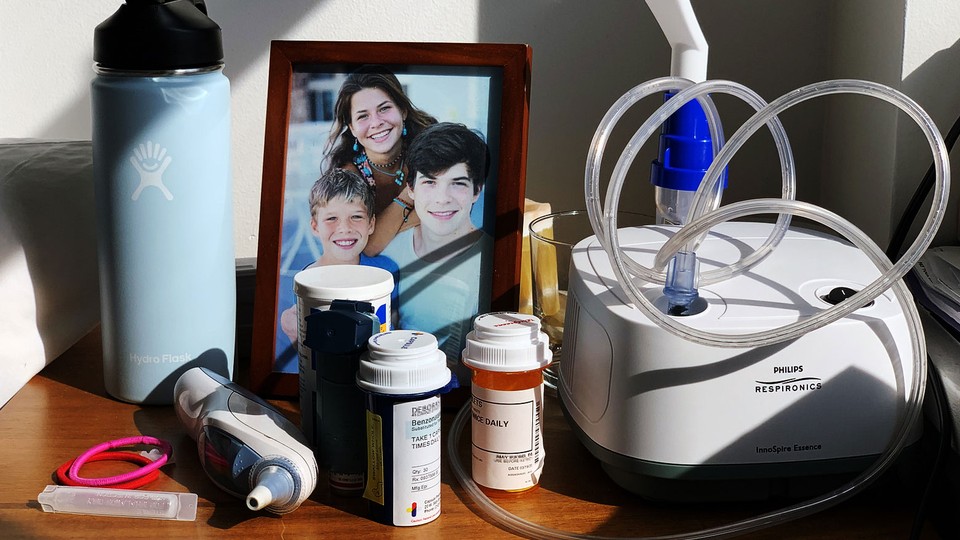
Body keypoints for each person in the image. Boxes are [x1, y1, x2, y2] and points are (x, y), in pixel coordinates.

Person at [380, 122, 493, 370]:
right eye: (430, 183)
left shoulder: (494, 262)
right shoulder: (390, 254)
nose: (442, 199)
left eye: (458, 183)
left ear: (477, 191)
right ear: (411, 189)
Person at [324, 65, 438, 256]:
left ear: (403, 111)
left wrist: (387, 227)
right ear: (352, 128)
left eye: (384, 109)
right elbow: (368, 246)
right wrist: (412, 194)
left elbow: (454, 208)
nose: (376, 122)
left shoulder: (430, 147)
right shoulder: (348, 174)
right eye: (363, 116)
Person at [279, 168, 398, 343]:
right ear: (315, 227)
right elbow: (307, 352)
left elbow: (392, 325)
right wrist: (293, 332)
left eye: (356, 217)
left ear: (371, 224)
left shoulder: (386, 270)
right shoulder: (304, 283)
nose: (344, 228)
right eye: (331, 218)